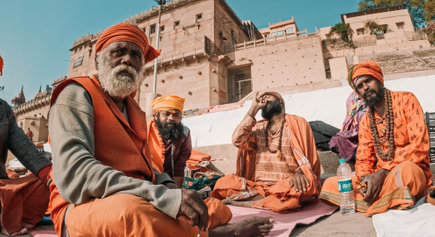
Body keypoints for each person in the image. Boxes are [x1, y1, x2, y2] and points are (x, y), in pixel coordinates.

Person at [48, 23, 273, 237]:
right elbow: (76, 173)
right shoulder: (76, 94)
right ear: (99, 60)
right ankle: (216, 234)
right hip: (83, 206)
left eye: (136, 55)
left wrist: (169, 190)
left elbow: (147, 168)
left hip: (141, 193)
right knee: (134, 214)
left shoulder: (134, 110)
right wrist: (161, 196)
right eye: (119, 52)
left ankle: (189, 229)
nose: (128, 59)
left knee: (214, 208)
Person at [320, 61, 431, 216]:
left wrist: (384, 172)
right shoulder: (366, 120)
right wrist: (366, 181)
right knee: (331, 185)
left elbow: (420, 146)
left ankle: (376, 202)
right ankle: (387, 199)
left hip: (410, 171)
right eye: (360, 86)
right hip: (381, 179)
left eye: (368, 81)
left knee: (407, 171)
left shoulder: (407, 99)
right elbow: (364, 158)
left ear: (379, 79)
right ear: (358, 93)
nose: (365, 87)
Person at [212, 91, 321, 212]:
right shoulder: (258, 127)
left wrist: (300, 172)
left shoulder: (297, 123)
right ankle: (268, 201)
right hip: (259, 188)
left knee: (306, 185)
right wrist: (253, 108)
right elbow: (237, 140)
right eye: (262, 98)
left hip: (286, 184)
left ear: (280, 102)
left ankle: (250, 202)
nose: (264, 98)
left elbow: (308, 155)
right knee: (223, 183)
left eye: (268, 95)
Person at [0, 75, 51, 235]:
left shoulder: (4, 109)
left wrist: (48, 174)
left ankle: (13, 215)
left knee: (48, 182)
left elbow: (23, 146)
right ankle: (10, 216)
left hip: (2, 186)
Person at [148, 95, 191, 187]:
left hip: (170, 182)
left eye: (176, 115)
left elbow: (180, 164)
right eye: (166, 114)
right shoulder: (145, 130)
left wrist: (176, 193)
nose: (171, 118)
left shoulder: (185, 133)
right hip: (146, 180)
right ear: (156, 116)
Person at [329, 91, 367, 164]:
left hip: (364, 135)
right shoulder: (352, 98)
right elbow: (348, 120)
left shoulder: (373, 100)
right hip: (351, 133)